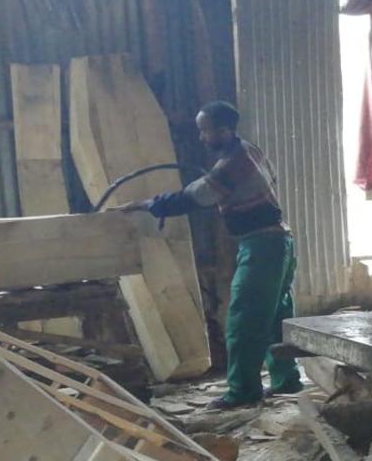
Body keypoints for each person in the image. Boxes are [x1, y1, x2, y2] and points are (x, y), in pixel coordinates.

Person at [117, 101, 301, 410]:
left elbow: (195, 197)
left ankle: (243, 390)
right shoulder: (249, 150)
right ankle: (287, 378)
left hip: (260, 247)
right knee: (275, 316)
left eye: (205, 130)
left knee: (244, 320)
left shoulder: (231, 165)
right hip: (280, 241)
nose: (201, 137)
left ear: (224, 130)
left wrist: (146, 204)